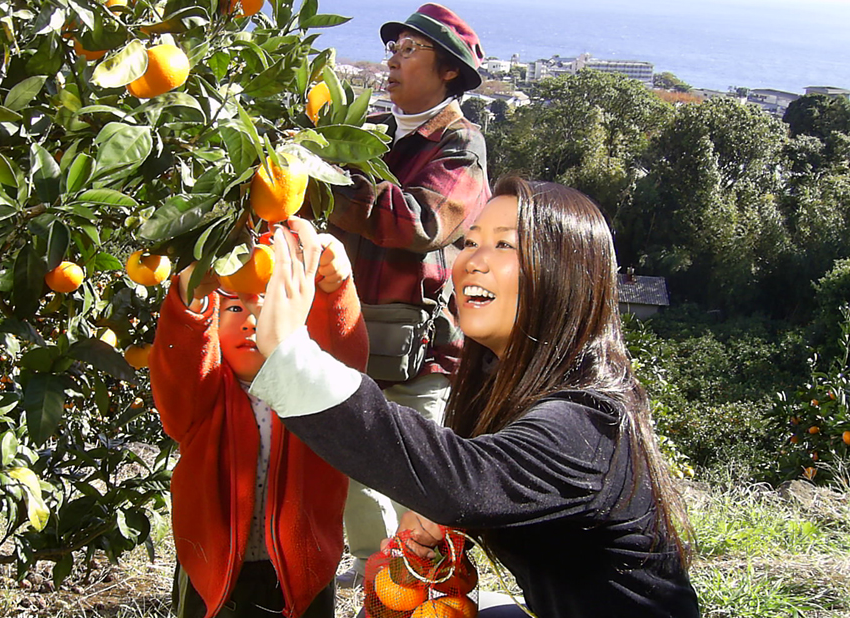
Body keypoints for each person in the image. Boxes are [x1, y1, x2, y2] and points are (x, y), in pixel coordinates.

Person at [247, 173, 702, 618]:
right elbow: (470, 479)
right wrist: (437, 519)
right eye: (468, 242)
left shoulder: (587, 423)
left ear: (567, 275)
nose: (471, 261)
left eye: (504, 244)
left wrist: (293, 359)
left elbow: (461, 482)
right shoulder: (503, 388)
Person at [326, 2, 492, 586]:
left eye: (408, 50)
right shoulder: (373, 138)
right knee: (350, 453)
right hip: (356, 329)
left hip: (419, 345)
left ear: (448, 70)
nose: (392, 62)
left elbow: (419, 222)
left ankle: (435, 581)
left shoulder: (458, 146)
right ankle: (372, 560)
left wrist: (323, 182)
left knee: (419, 470)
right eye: (392, 49)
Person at [148, 237, 369, 618]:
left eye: (266, 304)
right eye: (233, 306)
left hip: (303, 574)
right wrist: (190, 307)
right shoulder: (204, 398)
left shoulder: (310, 393)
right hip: (212, 576)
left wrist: (335, 290)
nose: (251, 320)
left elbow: (344, 355)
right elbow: (179, 370)